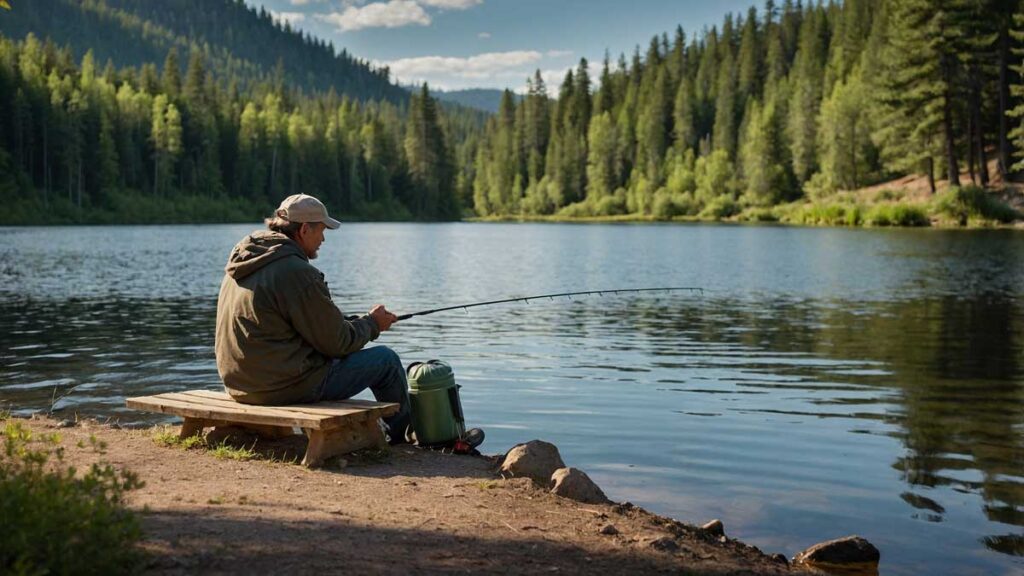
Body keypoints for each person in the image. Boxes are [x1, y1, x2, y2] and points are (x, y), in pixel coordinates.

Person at [215, 193, 412, 443]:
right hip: (279, 387)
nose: (323, 238)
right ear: (305, 229)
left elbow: (310, 327)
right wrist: (373, 324)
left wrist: (360, 321)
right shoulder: (295, 272)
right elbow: (336, 343)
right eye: (321, 230)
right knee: (386, 360)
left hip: (241, 385)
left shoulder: (248, 260)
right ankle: (401, 440)